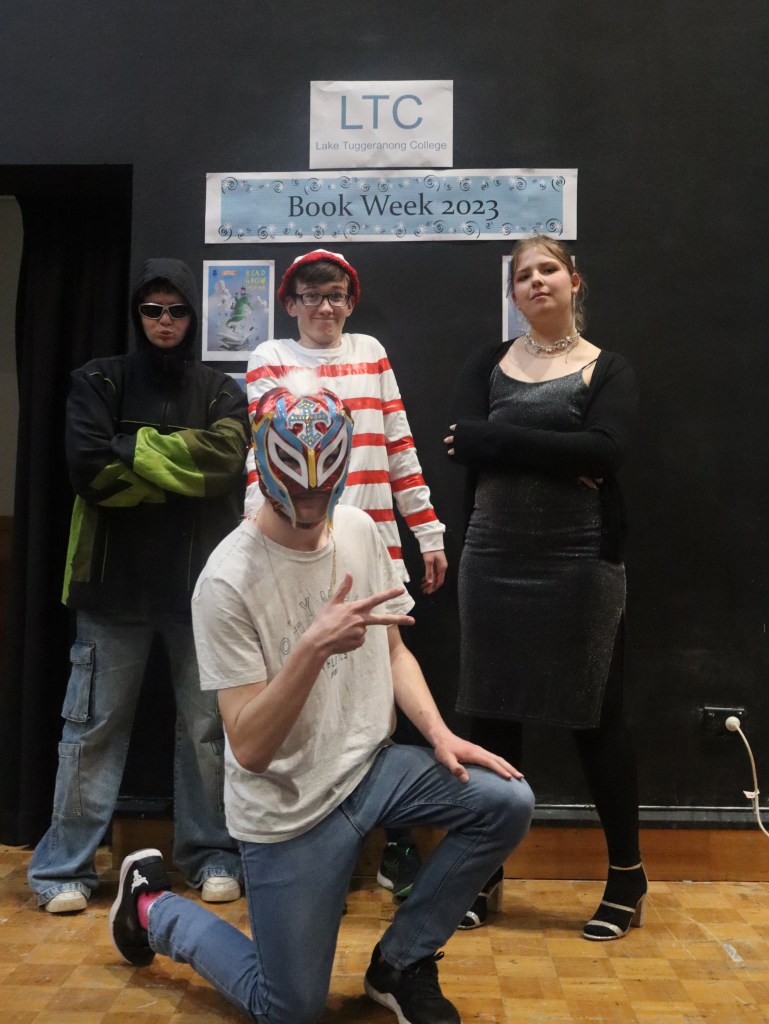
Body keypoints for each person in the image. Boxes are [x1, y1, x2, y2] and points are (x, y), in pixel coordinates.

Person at [109, 378, 534, 1024]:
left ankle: (399, 964)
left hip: (372, 769)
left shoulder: (358, 529)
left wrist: (440, 735)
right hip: (289, 810)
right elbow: (249, 748)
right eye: (296, 490)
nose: (310, 505)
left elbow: (394, 653)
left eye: (321, 490)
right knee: (288, 1010)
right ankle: (150, 907)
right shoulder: (226, 581)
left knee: (506, 802)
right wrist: (311, 649)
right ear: (264, 468)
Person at [28, 258, 249, 913]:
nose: (164, 321)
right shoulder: (97, 380)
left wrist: (133, 449)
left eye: (176, 310)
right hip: (110, 589)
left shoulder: (221, 390)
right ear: (137, 313)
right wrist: (181, 470)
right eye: (152, 310)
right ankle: (63, 870)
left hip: (202, 591)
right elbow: (89, 470)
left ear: (193, 316)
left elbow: (225, 464)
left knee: (208, 732)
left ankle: (211, 855)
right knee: (91, 730)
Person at [445, 235, 643, 939]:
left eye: (548, 269)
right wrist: (564, 451)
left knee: (597, 720)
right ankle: (484, 873)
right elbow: (460, 441)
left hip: (580, 561)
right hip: (492, 556)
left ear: (573, 282)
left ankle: (627, 877)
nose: (536, 281)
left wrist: (500, 441)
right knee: (492, 718)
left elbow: (607, 451)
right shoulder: (488, 362)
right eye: (524, 274)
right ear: (514, 293)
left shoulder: (607, 368)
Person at [244, 248, 448, 897]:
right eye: (311, 295)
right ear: (290, 303)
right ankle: (306, 841)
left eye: (335, 295)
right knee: (302, 688)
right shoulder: (268, 358)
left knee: (382, 690)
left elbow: (398, 445)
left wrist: (427, 530)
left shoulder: (371, 353)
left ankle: (395, 840)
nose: (325, 306)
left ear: (349, 301)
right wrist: (254, 546)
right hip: (299, 550)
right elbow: (265, 457)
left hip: (371, 546)